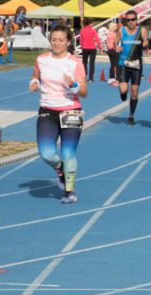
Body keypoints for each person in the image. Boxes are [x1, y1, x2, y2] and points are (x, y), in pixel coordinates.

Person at [29, 23, 88, 204]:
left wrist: (73, 86)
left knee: (68, 153)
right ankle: (60, 169)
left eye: (61, 40)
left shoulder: (75, 62)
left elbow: (84, 91)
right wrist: (34, 83)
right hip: (47, 110)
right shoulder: (41, 60)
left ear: (68, 42)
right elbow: (36, 76)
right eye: (54, 40)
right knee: (46, 153)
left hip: (71, 110)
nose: (57, 43)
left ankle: (69, 192)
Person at [117, 11, 146, 125]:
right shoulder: (121, 30)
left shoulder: (141, 30)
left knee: (134, 91)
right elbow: (116, 41)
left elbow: (145, 39)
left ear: (136, 20)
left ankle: (131, 115)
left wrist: (145, 43)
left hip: (136, 64)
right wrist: (116, 47)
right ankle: (123, 93)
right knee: (124, 89)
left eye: (133, 19)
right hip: (123, 63)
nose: (130, 22)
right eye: (128, 20)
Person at [78, 18, 99, 82]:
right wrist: (100, 47)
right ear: (90, 23)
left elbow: (81, 40)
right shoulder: (93, 30)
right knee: (92, 63)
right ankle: (91, 78)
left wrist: (82, 46)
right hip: (92, 48)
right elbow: (97, 39)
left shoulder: (82, 30)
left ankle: (84, 77)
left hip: (85, 48)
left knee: (84, 62)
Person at [104, 20, 120, 85]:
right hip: (114, 49)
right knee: (117, 64)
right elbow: (116, 42)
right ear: (113, 27)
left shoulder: (109, 34)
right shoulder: (114, 34)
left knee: (112, 64)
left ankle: (111, 77)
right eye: (116, 26)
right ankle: (118, 78)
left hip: (110, 50)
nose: (117, 27)